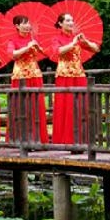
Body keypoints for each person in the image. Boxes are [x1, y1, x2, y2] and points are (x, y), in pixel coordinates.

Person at [51, 12, 98, 145]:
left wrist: (86, 41)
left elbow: (96, 49)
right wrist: (73, 43)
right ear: (60, 24)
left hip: (79, 75)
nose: (71, 23)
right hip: (64, 75)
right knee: (64, 106)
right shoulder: (57, 38)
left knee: (81, 106)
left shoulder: (77, 38)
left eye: (72, 20)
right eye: (67, 21)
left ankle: (82, 139)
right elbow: (58, 51)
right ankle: (63, 140)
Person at [8, 14, 48, 144]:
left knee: (36, 106)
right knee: (21, 107)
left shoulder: (33, 39)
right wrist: (27, 47)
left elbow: (48, 54)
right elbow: (12, 55)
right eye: (24, 23)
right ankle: (19, 138)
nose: (27, 25)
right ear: (17, 26)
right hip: (20, 76)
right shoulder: (12, 41)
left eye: (28, 23)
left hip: (35, 74)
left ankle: (37, 138)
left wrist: (39, 48)